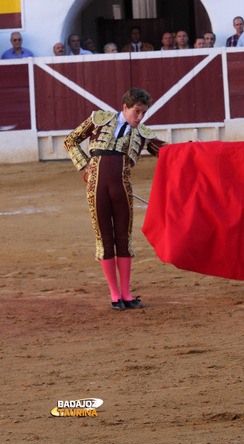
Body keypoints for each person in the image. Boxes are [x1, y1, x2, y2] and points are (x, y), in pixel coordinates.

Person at [63, 88, 168, 311]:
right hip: (96, 187)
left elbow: (168, 152)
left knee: (123, 238)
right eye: (137, 112)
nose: (139, 118)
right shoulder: (99, 119)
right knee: (104, 239)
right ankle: (114, 294)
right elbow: (70, 141)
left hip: (122, 189)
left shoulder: (142, 133)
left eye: (143, 113)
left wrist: (193, 146)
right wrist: (84, 164)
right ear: (125, 107)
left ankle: (127, 294)